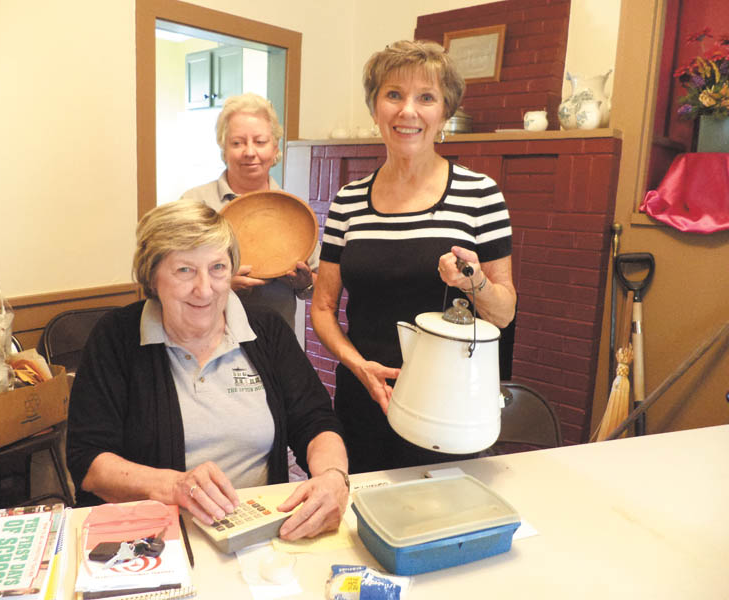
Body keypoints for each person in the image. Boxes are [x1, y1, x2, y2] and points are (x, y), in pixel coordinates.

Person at [66, 201, 349, 540]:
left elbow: (315, 421)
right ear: (152, 276)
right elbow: (89, 461)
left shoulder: (266, 330)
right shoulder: (116, 337)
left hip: (256, 534)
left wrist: (334, 477)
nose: (205, 289)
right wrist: (175, 486)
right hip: (152, 538)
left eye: (218, 268)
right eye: (184, 270)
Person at [311, 40, 517, 474]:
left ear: (444, 113)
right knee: (360, 518)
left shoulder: (480, 195)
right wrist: (357, 366)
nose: (408, 111)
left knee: (444, 517)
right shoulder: (348, 201)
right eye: (393, 95)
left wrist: (472, 281)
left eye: (426, 97)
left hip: (448, 399)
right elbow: (324, 307)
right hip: (364, 391)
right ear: (375, 108)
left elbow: (503, 312)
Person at [180, 93, 317, 331]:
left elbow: (316, 286)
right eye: (237, 142)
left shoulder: (293, 211)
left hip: (274, 341)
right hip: (206, 339)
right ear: (223, 149)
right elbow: (171, 278)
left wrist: (303, 283)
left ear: (275, 149)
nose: (249, 152)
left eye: (260, 142)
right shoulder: (194, 203)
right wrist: (221, 284)